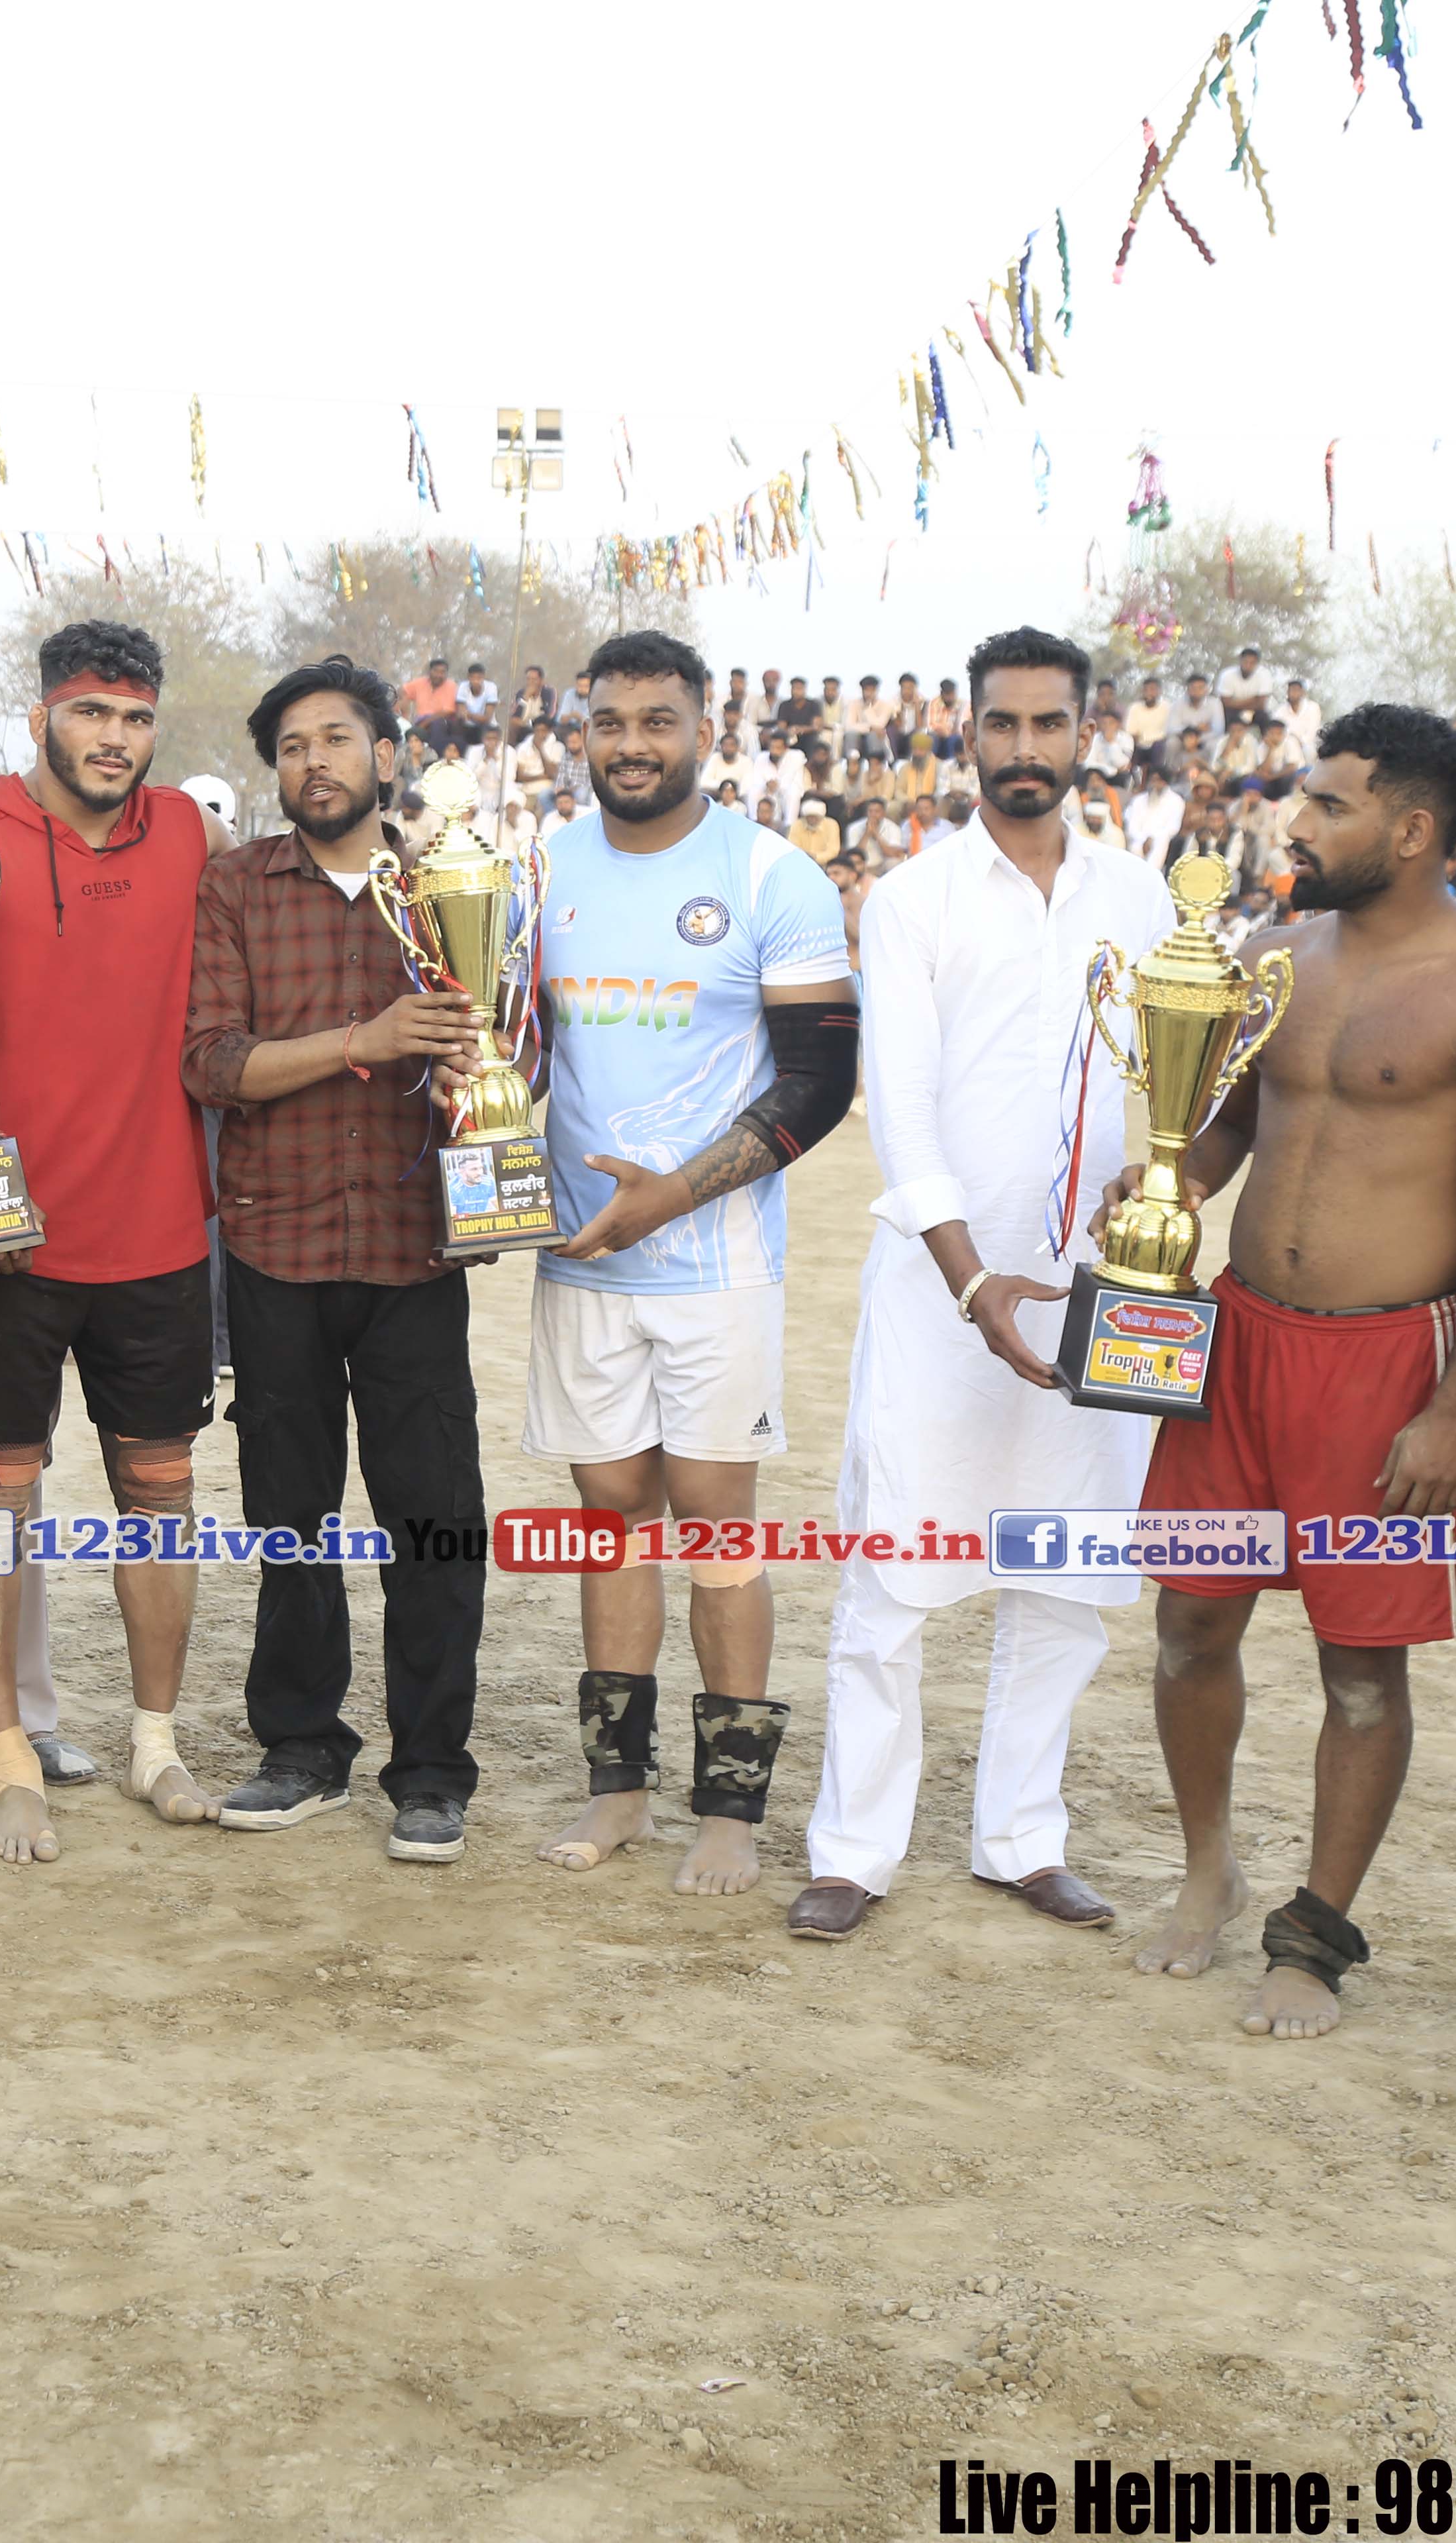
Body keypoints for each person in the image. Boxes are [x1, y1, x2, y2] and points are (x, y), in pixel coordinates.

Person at [1120, 701, 1456, 2038]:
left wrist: (1454, 1408)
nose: (1297, 823)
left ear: (1413, 830)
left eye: (1329, 805)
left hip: (1387, 1362)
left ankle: (1313, 1937)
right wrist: (1163, 1194)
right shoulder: (1268, 959)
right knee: (1189, 1625)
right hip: (1236, 1339)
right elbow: (1224, 1131)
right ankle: (1209, 1865)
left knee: (1362, 1670)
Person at [788, 630, 1176, 1945]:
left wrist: (1157, 1205)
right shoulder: (916, 899)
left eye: (1047, 724)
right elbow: (901, 1114)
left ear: (1085, 736)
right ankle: (854, 1852)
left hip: (1097, 1289)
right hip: (942, 1294)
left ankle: (1022, 1839)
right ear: (967, 736)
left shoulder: (1143, 900)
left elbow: (1176, 1096)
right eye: (1002, 724)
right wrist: (974, 1286)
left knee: (1066, 1575)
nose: (1024, 748)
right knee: (895, 1576)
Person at [526, 630, 856, 1895]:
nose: (631, 746)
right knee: (609, 1516)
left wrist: (670, 1196)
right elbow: (507, 1048)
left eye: (656, 722)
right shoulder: (543, 867)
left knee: (717, 1519)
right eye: (608, 723)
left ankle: (731, 1807)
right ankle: (618, 1791)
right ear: (583, 735)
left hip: (715, 1263)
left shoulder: (771, 874)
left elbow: (819, 1083)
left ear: (704, 731)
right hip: (581, 1258)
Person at [0, 622, 223, 1864]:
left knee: (162, 1494)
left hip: (160, 1234)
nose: (114, 739)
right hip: (7, 1245)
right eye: (92, 713)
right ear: (42, 716)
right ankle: (5, 1756)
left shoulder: (190, 833)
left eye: (136, 719)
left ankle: (155, 1742)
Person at [179, 659, 489, 1861]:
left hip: (417, 1252)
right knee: (288, 1519)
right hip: (278, 1245)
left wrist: (477, 1072)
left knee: (435, 1523)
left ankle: (432, 1771)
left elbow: (521, 1039)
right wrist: (367, 1039)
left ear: (386, 756)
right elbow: (213, 1062)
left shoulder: (450, 882)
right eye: (294, 746)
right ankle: (302, 1748)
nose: (315, 762)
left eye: (337, 739)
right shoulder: (237, 887)